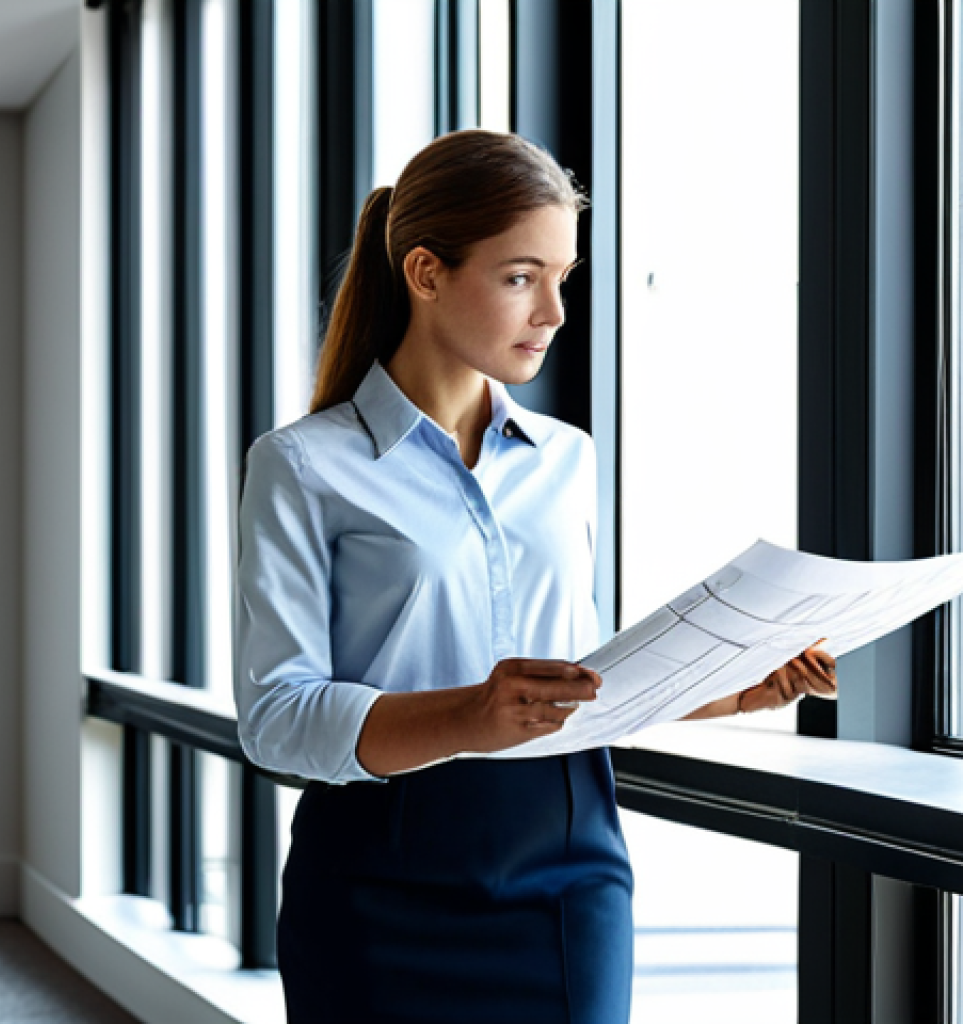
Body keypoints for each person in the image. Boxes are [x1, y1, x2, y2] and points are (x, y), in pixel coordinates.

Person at [234, 129, 837, 1024]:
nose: (553, 311)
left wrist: (727, 689)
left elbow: (573, 683)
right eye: (522, 277)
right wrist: (469, 713)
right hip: (374, 877)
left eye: (564, 276)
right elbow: (277, 718)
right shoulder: (302, 465)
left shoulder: (568, 460)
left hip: (568, 865)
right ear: (427, 272)